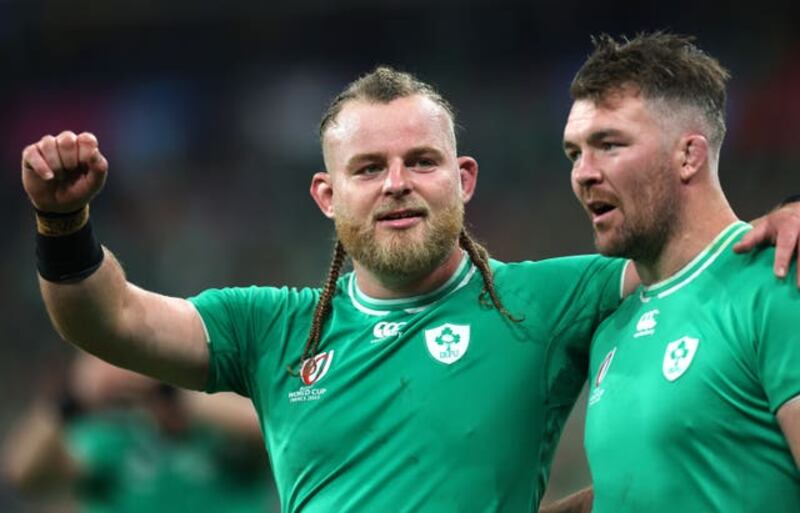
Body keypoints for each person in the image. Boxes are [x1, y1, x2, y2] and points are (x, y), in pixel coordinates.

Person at [19, 67, 800, 512]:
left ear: (463, 180)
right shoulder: (272, 328)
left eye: (421, 161)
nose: (397, 184)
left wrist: (783, 214)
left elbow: (695, 254)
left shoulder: (551, 299)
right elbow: (107, 316)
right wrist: (64, 221)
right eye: (368, 168)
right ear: (327, 195)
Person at [559, 32, 800, 512]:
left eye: (608, 144)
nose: (583, 172)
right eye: (574, 153)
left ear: (688, 155)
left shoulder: (778, 282)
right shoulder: (614, 327)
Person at [2, 353, 280, 513]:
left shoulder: (221, 428)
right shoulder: (112, 440)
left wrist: (169, 387)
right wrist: (71, 400)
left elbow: (268, 425)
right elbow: (24, 471)